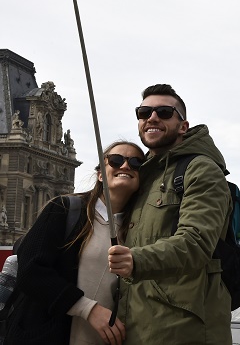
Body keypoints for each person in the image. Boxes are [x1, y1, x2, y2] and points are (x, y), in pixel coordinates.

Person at [108, 84, 233, 344]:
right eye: (144, 112)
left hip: (181, 331)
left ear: (183, 126)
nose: (152, 118)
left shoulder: (201, 169)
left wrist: (136, 260)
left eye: (164, 112)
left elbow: (196, 243)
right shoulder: (143, 176)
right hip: (138, 328)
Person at [4, 141, 144, 345]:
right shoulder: (63, 209)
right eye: (115, 160)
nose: (125, 166)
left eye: (136, 163)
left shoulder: (140, 230)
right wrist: (88, 309)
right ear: (99, 174)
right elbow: (29, 270)